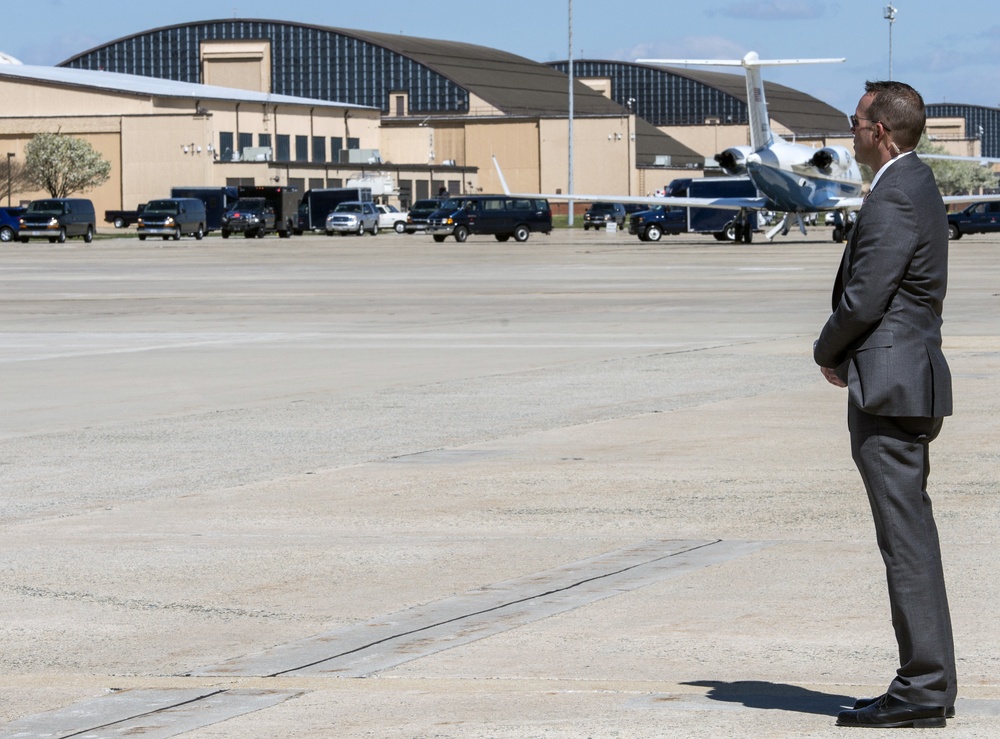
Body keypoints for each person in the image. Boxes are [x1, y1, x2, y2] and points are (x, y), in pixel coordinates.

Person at [814, 80, 956, 729]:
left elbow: (866, 296)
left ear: (881, 132)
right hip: (906, 376)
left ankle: (923, 686)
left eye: (856, 119)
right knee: (909, 537)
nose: (850, 128)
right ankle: (926, 683)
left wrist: (826, 350)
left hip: (890, 382)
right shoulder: (916, 181)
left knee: (905, 542)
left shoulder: (896, 192)